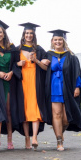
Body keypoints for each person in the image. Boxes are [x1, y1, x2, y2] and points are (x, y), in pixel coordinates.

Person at [0, 18, 24, 150]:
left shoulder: (12, 49)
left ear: (4, 33)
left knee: (8, 111)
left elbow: (16, 64)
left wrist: (12, 72)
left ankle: (10, 141)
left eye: (0, 32)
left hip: (9, 83)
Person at [44, 29, 81, 151]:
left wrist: (77, 86)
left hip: (67, 87)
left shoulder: (71, 56)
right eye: (55, 39)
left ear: (64, 41)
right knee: (56, 114)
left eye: (60, 39)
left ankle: (60, 132)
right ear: (52, 41)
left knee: (66, 118)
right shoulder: (48, 55)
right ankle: (59, 141)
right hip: (53, 87)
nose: (58, 41)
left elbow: (77, 72)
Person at [16, 22, 49, 150]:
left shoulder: (39, 50)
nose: (29, 35)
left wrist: (36, 60)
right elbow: (12, 65)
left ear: (34, 35)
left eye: (31, 33)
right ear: (24, 34)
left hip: (35, 83)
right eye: (27, 33)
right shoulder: (17, 49)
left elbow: (45, 67)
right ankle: (27, 138)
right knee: (24, 111)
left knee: (35, 110)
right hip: (22, 83)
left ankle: (34, 137)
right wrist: (18, 63)